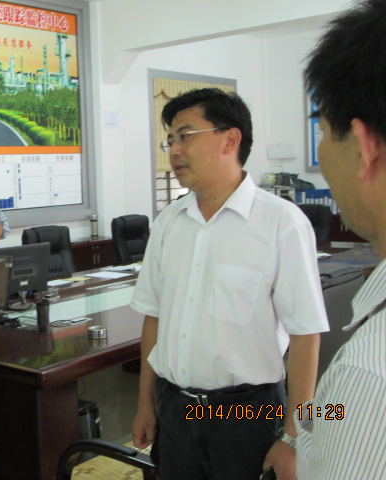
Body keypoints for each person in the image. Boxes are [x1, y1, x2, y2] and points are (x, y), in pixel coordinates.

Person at [130, 88, 329, 480]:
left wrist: (292, 438)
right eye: (170, 139)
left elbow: (306, 335)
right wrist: (144, 405)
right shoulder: (169, 223)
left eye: (185, 136)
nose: (174, 150)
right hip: (175, 410)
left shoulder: (281, 223)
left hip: (247, 416)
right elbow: (154, 317)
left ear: (230, 139)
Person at [297, 1, 386, 478]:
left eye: (324, 130)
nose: (176, 148)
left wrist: (295, 431)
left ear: (364, 145)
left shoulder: (368, 377)